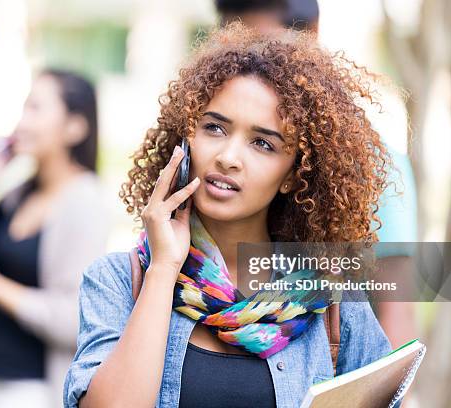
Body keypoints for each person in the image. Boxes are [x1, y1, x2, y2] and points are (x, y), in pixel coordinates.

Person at [64, 24, 400, 408]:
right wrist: (164, 268)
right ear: (186, 140)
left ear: (294, 175)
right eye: (214, 128)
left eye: (262, 143)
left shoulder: (333, 301)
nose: (227, 157)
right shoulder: (120, 282)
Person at [215, 0, 419, 352]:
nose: (254, 60)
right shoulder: (210, 150)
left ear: (310, 37)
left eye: (264, 42)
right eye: (236, 42)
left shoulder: (364, 162)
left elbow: (397, 313)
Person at [0, 69, 109, 407]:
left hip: (29, 391)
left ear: (75, 127)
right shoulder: (17, 192)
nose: (22, 122)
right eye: (23, 108)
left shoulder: (84, 201)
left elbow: (73, 318)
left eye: (35, 109)